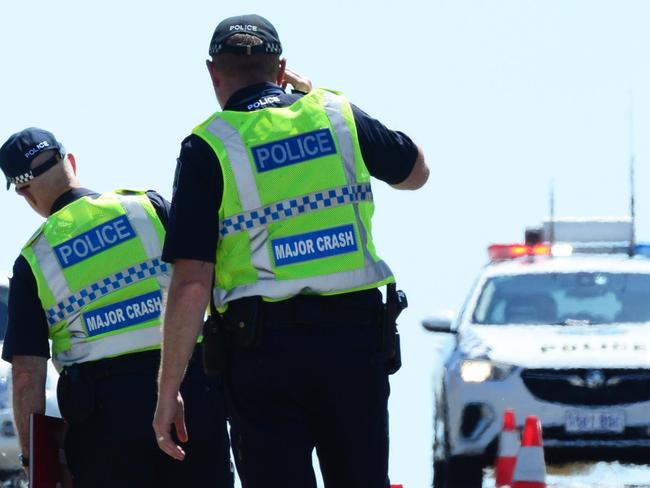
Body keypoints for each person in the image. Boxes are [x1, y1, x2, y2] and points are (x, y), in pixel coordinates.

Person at [153, 14, 429, 488]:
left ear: (212, 72)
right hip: (354, 344)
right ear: (281, 70)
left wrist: (168, 391)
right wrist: (313, 93)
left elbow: (192, 281)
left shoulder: (207, 146)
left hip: (262, 354)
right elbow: (416, 172)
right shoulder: (336, 115)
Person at [0, 127, 233, 488]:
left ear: (25, 194)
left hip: (104, 421)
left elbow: (28, 373)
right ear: (71, 163)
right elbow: (210, 276)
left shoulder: (34, 259)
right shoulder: (149, 207)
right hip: (189, 399)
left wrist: (36, 461)